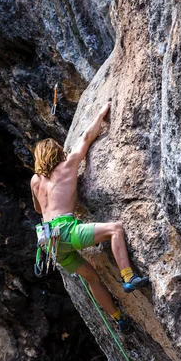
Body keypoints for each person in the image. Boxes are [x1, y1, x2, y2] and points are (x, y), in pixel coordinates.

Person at [30, 100, 149, 334]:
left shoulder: (35, 181)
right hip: (65, 231)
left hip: (49, 244)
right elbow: (86, 137)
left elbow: (37, 209)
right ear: (57, 152)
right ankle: (128, 277)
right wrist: (102, 112)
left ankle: (119, 319)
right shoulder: (67, 166)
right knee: (115, 229)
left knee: (92, 278)